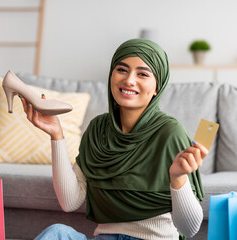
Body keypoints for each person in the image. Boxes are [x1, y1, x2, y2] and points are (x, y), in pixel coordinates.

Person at [21, 38, 208, 240]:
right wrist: (56, 136)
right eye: (122, 70)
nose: (129, 80)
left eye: (142, 74)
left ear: (157, 87)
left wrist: (178, 178)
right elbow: (69, 201)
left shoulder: (171, 132)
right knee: (57, 233)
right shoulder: (98, 129)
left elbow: (190, 229)